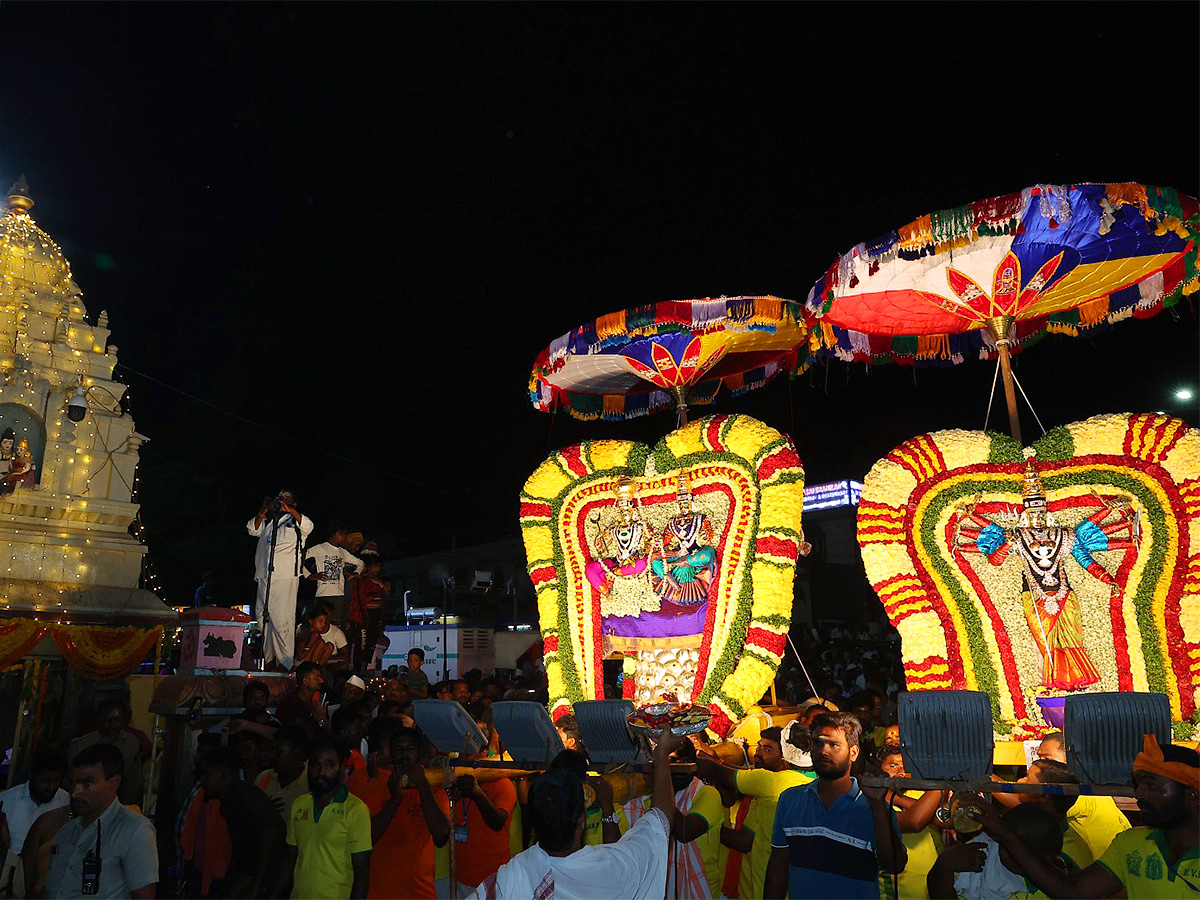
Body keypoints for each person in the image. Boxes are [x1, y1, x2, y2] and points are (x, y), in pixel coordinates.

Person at [958, 734, 1199, 898]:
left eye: (1152, 787)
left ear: (1192, 795)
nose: (1139, 794)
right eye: (1139, 785)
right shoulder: (1131, 844)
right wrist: (1002, 831)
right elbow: (1071, 891)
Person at [470, 727, 686, 899]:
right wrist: (661, 755)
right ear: (581, 821)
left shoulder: (512, 876)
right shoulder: (613, 869)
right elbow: (660, 822)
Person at [764, 711, 906, 899]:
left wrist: (878, 807)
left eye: (834, 744)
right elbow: (778, 867)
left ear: (853, 753)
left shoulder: (873, 806)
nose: (824, 751)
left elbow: (894, 865)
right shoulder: (790, 800)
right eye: (818, 743)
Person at [695, 725, 814, 900]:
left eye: (768, 749)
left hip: (764, 886)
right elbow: (742, 772)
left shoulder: (772, 783)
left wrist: (705, 828)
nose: (759, 752)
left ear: (783, 757)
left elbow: (718, 772)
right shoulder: (818, 781)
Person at [347, 725, 450, 899]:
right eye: (399, 749)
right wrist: (394, 800)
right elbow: (366, 838)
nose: (404, 755)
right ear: (391, 754)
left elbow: (441, 836)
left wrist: (422, 784)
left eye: (410, 748)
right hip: (378, 893)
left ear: (420, 753)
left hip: (419, 893)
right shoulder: (376, 784)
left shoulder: (435, 791)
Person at [45, 743, 158, 899]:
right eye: (73, 783)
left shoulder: (135, 830)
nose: (76, 792)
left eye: (87, 784)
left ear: (114, 783)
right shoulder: (65, 832)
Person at [275, 735, 372, 900]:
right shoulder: (300, 805)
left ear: (342, 768)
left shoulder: (355, 810)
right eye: (315, 765)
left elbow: (362, 874)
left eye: (329, 765)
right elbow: (291, 860)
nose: (321, 772)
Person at [926, 804, 1067, 900]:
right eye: (1003, 843)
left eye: (1014, 850)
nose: (1004, 853)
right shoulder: (978, 852)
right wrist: (943, 866)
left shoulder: (1051, 890)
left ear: (1046, 859)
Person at [1027, 732, 1130, 860]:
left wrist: (994, 784)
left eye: (1047, 759)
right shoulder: (1083, 782)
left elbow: (1024, 804)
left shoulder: (1077, 791)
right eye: (1039, 758)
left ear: (1069, 759)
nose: (1041, 764)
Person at [199, 746, 286, 899]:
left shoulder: (240, 796)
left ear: (223, 775)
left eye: (207, 774)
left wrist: (255, 887)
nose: (203, 780)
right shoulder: (233, 797)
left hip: (268, 880)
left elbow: (269, 829)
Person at [450, 715, 518, 896]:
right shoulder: (453, 780)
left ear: (483, 752)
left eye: (470, 749)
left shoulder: (501, 783)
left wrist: (477, 794)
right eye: (462, 749)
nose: (465, 755)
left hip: (491, 876)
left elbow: (498, 822)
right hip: (459, 875)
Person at [247, 490, 314, 672]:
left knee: (281, 619)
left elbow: (309, 526)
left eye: (287, 500)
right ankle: (269, 659)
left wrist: (290, 510)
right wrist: (263, 511)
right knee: (263, 617)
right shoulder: (270, 522)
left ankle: (284, 663)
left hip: (284, 576)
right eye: (280, 499)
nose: (282, 502)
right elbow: (252, 529)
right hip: (264, 575)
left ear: (294, 504)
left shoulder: (296, 522)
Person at [875, 746, 946, 899]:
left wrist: (897, 797)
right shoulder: (876, 804)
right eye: (893, 766)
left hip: (930, 889)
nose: (901, 772)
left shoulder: (917, 794)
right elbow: (914, 822)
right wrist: (945, 779)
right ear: (879, 769)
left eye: (906, 767)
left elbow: (948, 821)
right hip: (897, 893)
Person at [68, 699, 144, 807]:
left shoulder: (131, 744)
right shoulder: (80, 746)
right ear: (99, 719)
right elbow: (70, 783)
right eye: (107, 720)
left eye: (117, 720)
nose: (111, 725)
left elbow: (136, 783)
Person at [0, 746, 69, 854]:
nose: (51, 787)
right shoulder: (6, 801)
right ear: (32, 776)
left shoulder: (67, 803)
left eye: (56, 780)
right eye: (45, 781)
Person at [304, 521, 365, 626]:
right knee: (321, 626)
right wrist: (309, 575)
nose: (346, 538)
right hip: (323, 594)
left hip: (339, 595)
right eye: (345, 535)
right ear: (338, 534)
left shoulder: (342, 552)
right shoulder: (320, 548)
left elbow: (360, 563)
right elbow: (299, 559)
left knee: (336, 626)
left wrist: (355, 573)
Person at [255, 725, 311, 822]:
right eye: (273, 750)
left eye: (279, 752)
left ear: (298, 752)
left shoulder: (311, 784)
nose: (273, 756)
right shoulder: (264, 778)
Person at [276, 661, 331, 736]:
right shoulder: (288, 703)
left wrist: (322, 719)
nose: (321, 681)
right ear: (305, 681)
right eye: (317, 677)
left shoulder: (320, 703)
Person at [297, 603, 351, 668]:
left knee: (329, 646)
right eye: (320, 621)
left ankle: (316, 668)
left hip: (323, 662)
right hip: (302, 663)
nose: (323, 624)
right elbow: (300, 656)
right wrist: (310, 643)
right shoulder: (306, 634)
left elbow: (345, 654)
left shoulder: (336, 632)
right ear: (311, 621)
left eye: (324, 621)